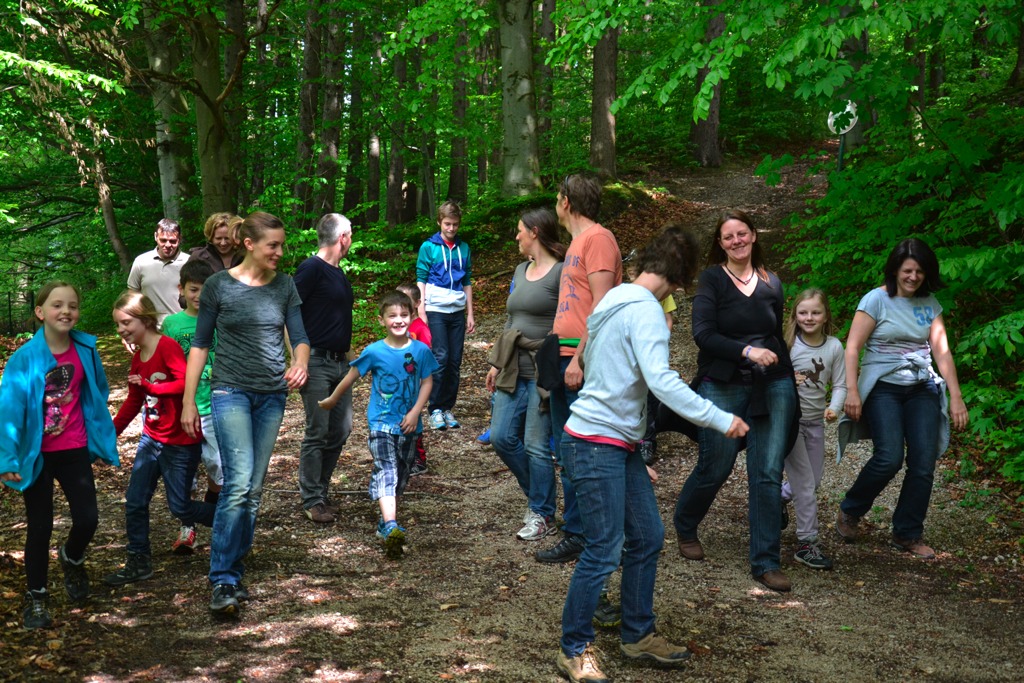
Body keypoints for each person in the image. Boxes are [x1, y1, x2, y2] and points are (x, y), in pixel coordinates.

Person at [554, 226, 749, 682]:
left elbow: (607, 372)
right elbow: (661, 381)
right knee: (604, 549)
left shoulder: (614, 298)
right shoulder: (646, 311)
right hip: (595, 442)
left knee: (646, 536)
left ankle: (637, 634)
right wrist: (720, 419)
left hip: (613, 443)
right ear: (680, 280)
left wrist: (633, 446)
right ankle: (573, 649)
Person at [181, 211, 310, 617]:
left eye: (282, 245)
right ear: (250, 244)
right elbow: (200, 344)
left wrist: (300, 362)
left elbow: (300, 337)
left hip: (271, 395)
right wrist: (188, 401)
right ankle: (222, 577)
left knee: (253, 489)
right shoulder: (218, 285)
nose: (280, 252)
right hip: (229, 391)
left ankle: (234, 566)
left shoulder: (284, 286)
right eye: (273, 245)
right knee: (237, 483)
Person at [672, 209, 799, 593]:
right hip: (723, 382)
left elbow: (776, 336)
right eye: (728, 237)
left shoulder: (772, 282)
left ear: (753, 235)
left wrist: (789, 379)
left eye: (741, 233)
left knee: (767, 471)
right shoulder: (712, 280)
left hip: (772, 383)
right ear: (720, 243)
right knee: (717, 463)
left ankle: (766, 561)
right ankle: (685, 524)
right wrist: (746, 351)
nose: (736, 241)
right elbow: (703, 334)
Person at [836, 238, 968, 559]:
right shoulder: (876, 300)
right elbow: (852, 347)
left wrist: (956, 397)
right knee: (889, 457)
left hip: (921, 386)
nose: (913, 277)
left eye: (920, 271)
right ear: (895, 269)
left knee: (923, 462)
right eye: (908, 270)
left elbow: (942, 351)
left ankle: (907, 533)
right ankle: (851, 509)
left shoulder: (929, 304)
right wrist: (852, 390)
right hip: (883, 386)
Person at [0, 283, 119, 629]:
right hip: (37, 454)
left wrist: (100, 438)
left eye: (72, 305)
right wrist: (7, 459)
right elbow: (9, 410)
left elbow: (96, 393)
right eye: (57, 305)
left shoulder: (86, 348)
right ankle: (36, 596)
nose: (66, 311)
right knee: (40, 526)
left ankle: (72, 557)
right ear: (40, 312)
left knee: (88, 519)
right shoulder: (24, 358)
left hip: (74, 448)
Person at [537, 173, 623, 565]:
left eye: (557, 197)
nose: (556, 204)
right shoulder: (576, 242)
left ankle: (590, 534)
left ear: (566, 201)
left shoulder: (599, 239)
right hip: (562, 356)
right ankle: (578, 530)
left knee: (582, 450)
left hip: (582, 360)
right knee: (566, 450)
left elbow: (603, 307)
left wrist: (579, 358)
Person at [103, 291, 216, 587]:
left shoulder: (167, 347)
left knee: (181, 507)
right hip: (151, 439)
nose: (121, 329)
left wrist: (153, 388)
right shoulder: (138, 358)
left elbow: (183, 383)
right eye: (117, 324)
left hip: (180, 443)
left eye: (126, 322)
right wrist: (110, 433)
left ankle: (232, 519)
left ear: (145, 319)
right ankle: (138, 561)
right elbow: (133, 400)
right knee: (135, 501)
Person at [318, 290, 437, 559]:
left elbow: (427, 382)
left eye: (404, 315)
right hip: (381, 424)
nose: (399, 320)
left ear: (412, 316)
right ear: (381, 320)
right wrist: (333, 399)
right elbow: (351, 376)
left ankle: (385, 523)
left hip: (409, 425)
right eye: (392, 316)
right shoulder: (374, 351)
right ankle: (392, 523)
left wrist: (416, 412)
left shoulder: (421, 351)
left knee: (401, 475)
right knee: (387, 469)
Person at [485, 208, 564, 541]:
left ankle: (542, 513)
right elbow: (511, 319)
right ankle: (539, 498)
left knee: (535, 445)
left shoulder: (561, 272)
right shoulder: (520, 269)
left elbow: (569, 319)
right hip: (513, 367)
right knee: (501, 437)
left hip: (542, 370)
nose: (516, 236)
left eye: (520, 230)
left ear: (535, 232)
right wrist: (496, 362)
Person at [294, 213, 355, 523]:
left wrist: (353, 362)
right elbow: (289, 313)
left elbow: (340, 322)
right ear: (342, 238)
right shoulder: (311, 268)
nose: (351, 240)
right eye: (350, 235)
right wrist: (297, 359)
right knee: (317, 430)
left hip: (341, 362)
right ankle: (312, 498)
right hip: (315, 362)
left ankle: (321, 489)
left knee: (341, 428)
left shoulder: (339, 273)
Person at [780, 288, 846, 570]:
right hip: (790, 424)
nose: (809, 317)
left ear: (825, 315)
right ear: (795, 315)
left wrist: (835, 407)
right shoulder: (788, 345)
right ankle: (807, 543)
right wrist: (787, 381)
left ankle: (777, 497)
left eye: (815, 312)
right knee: (806, 484)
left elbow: (840, 384)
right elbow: (770, 379)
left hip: (816, 423)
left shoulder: (834, 347)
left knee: (813, 481)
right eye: (803, 312)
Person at [161, 259, 222, 555]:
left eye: (204, 289)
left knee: (218, 466)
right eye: (193, 289)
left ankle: (214, 515)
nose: (198, 295)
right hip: (183, 407)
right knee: (185, 471)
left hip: (214, 404)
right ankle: (187, 527)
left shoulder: (220, 319)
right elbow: (164, 362)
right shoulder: (172, 324)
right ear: (181, 289)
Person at [416, 200, 474, 430]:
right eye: (447, 224)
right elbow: (421, 278)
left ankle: (448, 407)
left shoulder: (464, 248)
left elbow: (467, 281)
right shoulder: (428, 247)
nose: (451, 228)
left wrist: (470, 313)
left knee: (455, 360)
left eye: (455, 224)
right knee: (440, 357)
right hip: (435, 309)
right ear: (439, 222)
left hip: (457, 310)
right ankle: (435, 408)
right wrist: (421, 308)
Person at [127, 218, 190, 327]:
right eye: (163, 240)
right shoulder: (141, 261)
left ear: (179, 239)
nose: (168, 245)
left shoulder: (189, 262)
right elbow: (132, 295)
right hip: (150, 328)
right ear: (156, 236)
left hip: (182, 327)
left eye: (173, 241)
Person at [397, 282, 431, 476]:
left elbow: (424, 358)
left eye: (406, 300)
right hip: (400, 382)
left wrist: (418, 383)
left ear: (417, 303)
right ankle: (403, 455)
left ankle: (419, 459)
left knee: (413, 419)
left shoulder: (420, 329)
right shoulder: (401, 327)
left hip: (414, 384)